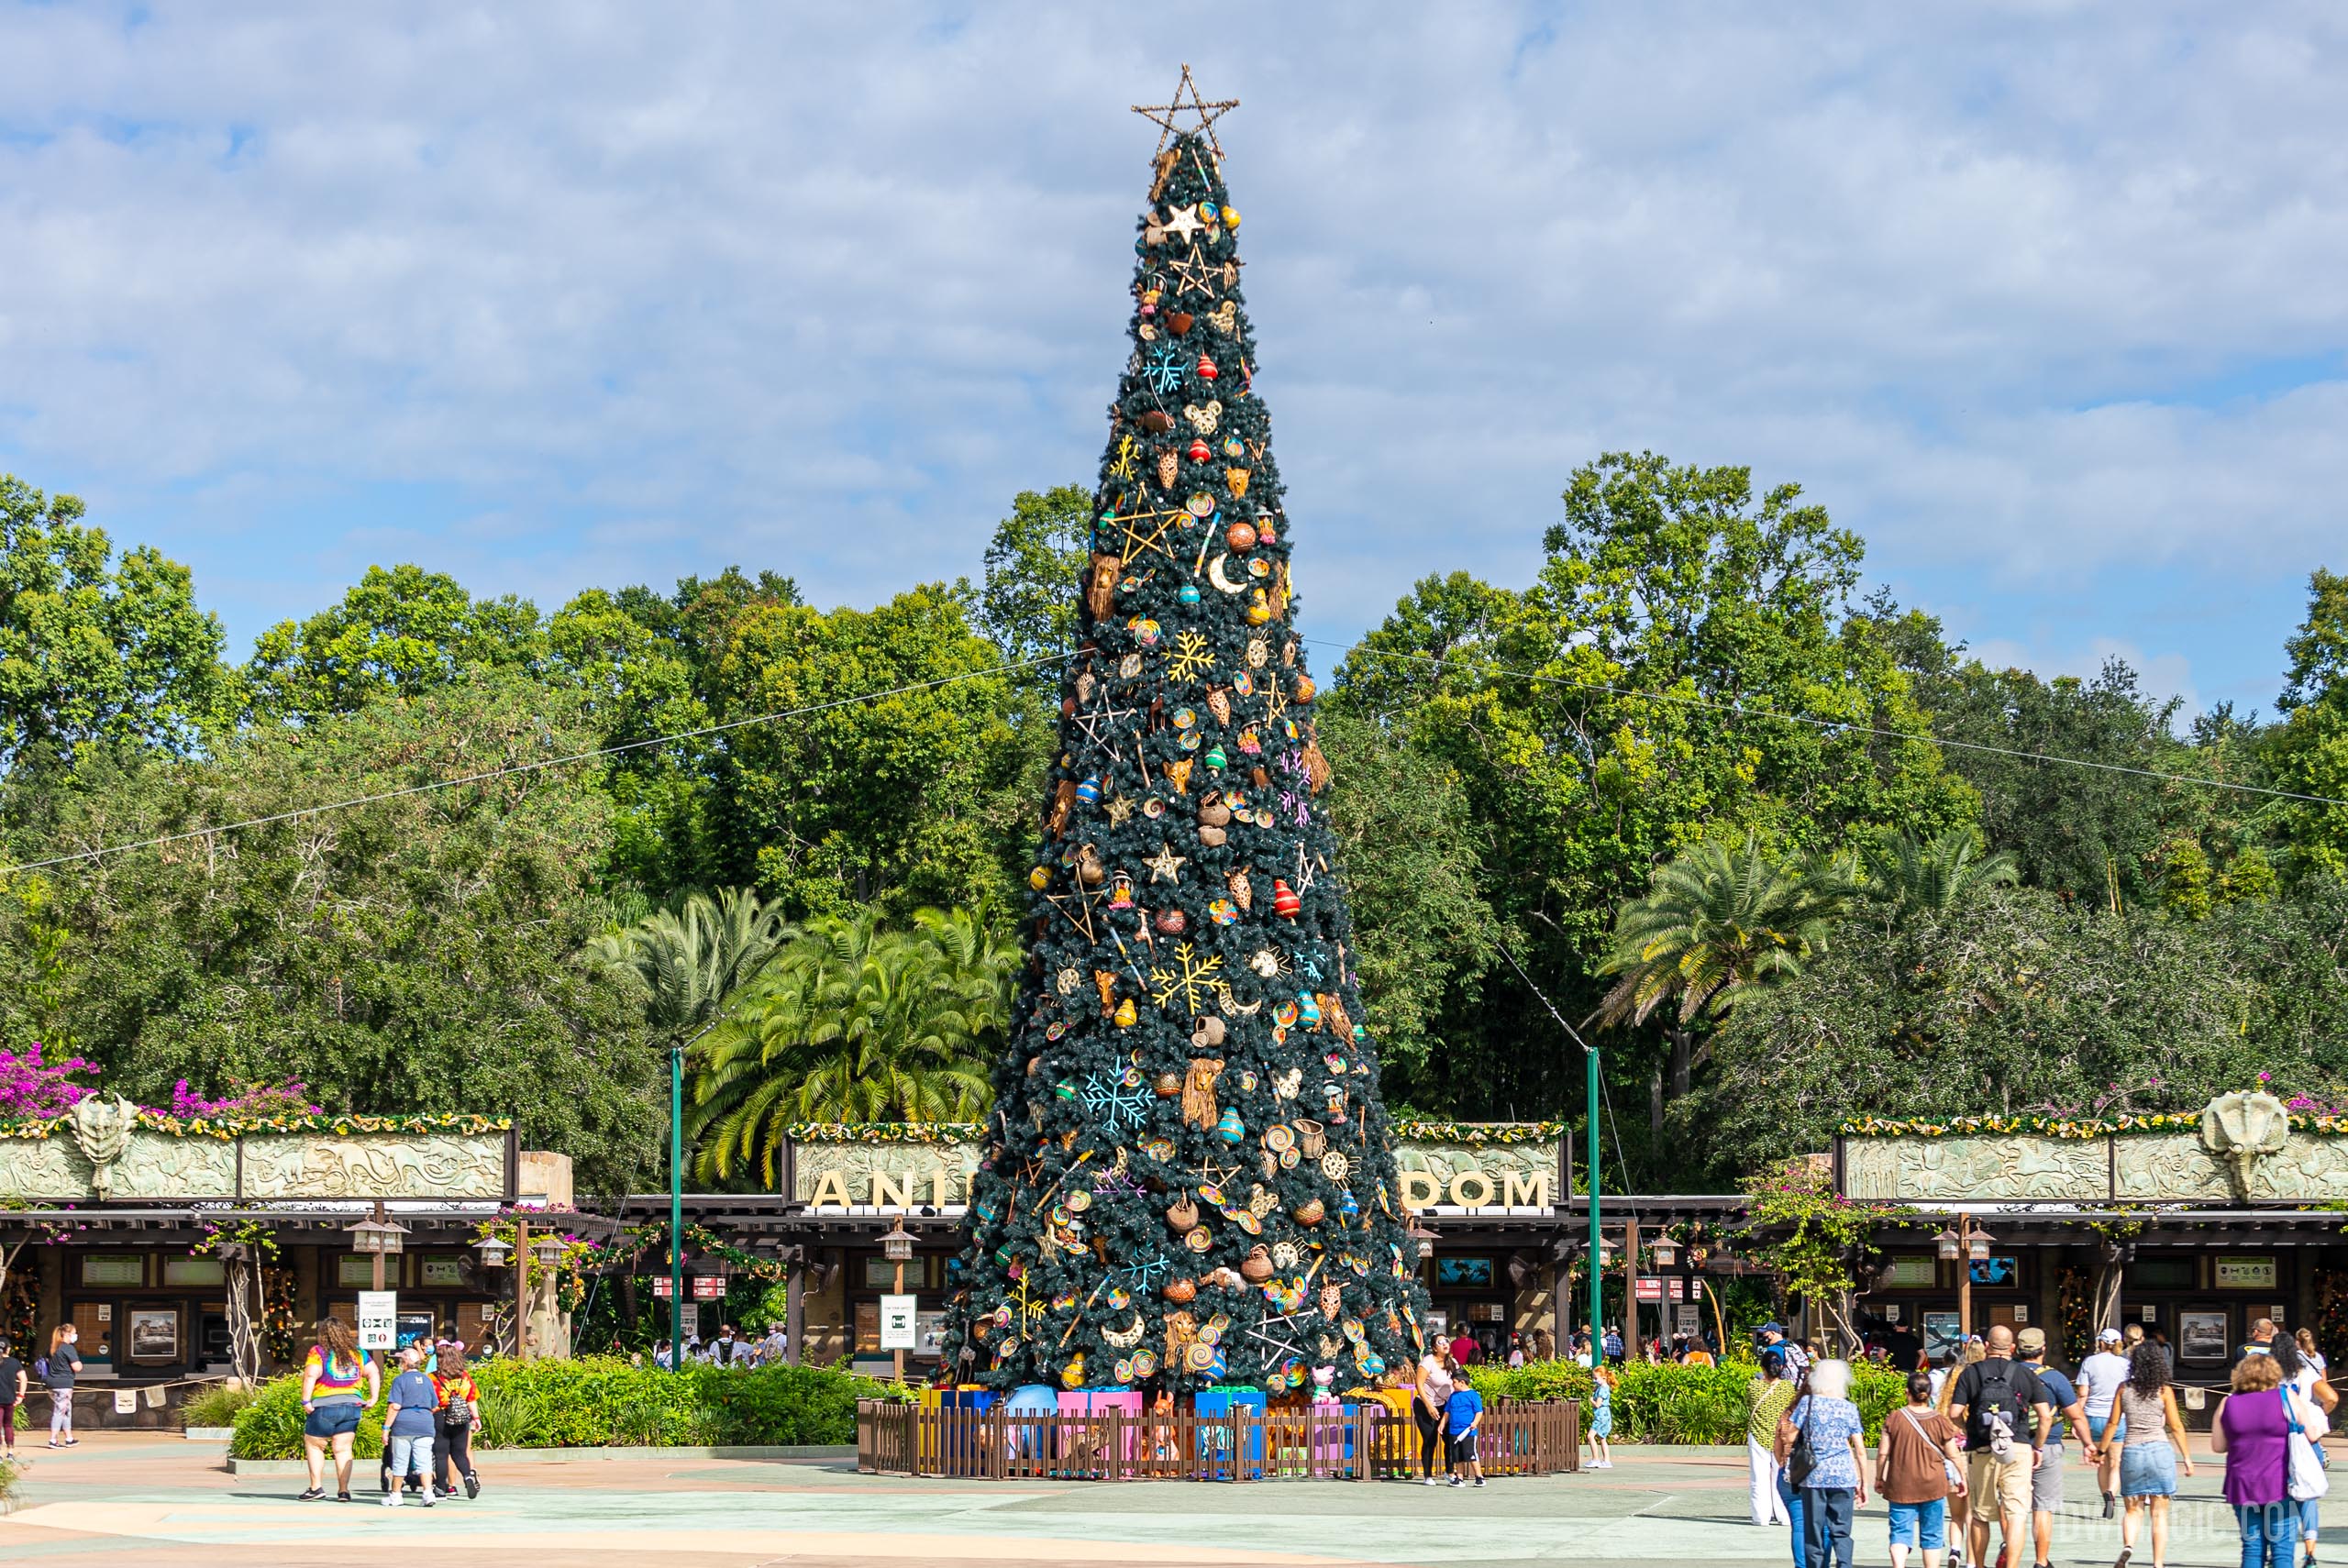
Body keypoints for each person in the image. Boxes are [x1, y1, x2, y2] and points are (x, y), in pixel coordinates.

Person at [1945, 1325, 2053, 1568]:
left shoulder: (1971, 1373)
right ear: (2012, 1348)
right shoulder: (2026, 1375)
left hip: (1982, 1447)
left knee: (1981, 1514)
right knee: (2016, 1514)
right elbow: (2045, 1416)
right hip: (2018, 1448)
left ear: (1986, 1346)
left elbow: (1954, 1412)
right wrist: (2037, 1446)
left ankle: (1980, 1564)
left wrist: (1967, 1429)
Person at [2101, 1339, 2194, 1568]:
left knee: (2133, 1509)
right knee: (2159, 1513)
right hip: (2159, 1450)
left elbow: (2113, 1423)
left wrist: (2101, 1450)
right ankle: (2158, 1563)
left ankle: (2128, 1545)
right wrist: (2187, 1458)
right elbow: (2176, 1426)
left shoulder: (2124, 1388)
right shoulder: (2164, 1390)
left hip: (2132, 1449)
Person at [2017, 1326, 2096, 1568]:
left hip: (2010, 1447)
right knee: (2042, 1507)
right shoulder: (2053, 1377)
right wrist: (2088, 1444)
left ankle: (2010, 1554)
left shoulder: (2007, 1373)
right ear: (2042, 1349)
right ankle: (2041, 1561)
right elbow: (2076, 1415)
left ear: (2017, 1350)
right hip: (2047, 1445)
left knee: (2013, 1506)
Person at [1780, 1358, 1868, 1568]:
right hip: (1844, 1476)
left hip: (1814, 1477)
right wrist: (1863, 1482)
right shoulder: (1849, 1408)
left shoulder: (1808, 1403)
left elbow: (1789, 1437)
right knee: (1841, 1530)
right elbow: (1860, 1450)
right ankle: (1844, 1564)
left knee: (1814, 1529)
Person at [1877, 1368, 1967, 1568]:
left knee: (1900, 1531)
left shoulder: (1895, 1418)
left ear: (1907, 1392)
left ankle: (1899, 1566)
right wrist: (1961, 1478)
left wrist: (1879, 1477)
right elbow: (1953, 1454)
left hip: (1900, 1484)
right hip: (1933, 1484)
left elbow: (1883, 1453)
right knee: (1932, 1533)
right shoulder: (1939, 1420)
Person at [2213, 1352, 2295, 1568]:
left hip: (2242, 1484)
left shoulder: (2228, 1402)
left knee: (2252, 1546)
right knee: (2283, 1549)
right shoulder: (2285, 1397)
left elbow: (2218, 1446)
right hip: (2280, 1481)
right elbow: (2312, 1433)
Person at [297, 1316, 379, 1502]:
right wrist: (373, 1398)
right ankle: (343, 1490)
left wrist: (306, 1401)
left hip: (324, 1405)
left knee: (315, 1445)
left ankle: (316, 1487)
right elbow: (373, 1372)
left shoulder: (318, 1352)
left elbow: (311, 1374)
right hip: (352, 1406)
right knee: (343, 1449)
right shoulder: (358, 1353)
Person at [2271, 1337, 2334, 1567]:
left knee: (2278, 1498)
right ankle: (2310, 1553)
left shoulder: (2269, 1374)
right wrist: (2317, 1413)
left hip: (2278, 1440)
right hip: (2306, 1438)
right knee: (2308, 1499)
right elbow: (2332, 1397)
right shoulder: (2306, 1372)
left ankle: (2278, 1552)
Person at [2078, 1327, 2133, 1519]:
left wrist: (2078, 1420)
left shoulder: (2089, 1362)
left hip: (2093, 1416)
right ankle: (2112, 1492)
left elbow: (2083, 1393)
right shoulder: (2125, 1364)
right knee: (2115, 1463)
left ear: (2101, 1342)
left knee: (2100, 1462)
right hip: (2118, 1417)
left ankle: (2105, 1498)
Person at [379, 1347, 437, 1508]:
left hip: (404, 1424)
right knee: (424, 1460)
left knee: (400, 1460)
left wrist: (386, 1428)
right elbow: (434, 1405)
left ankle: (396, 1495)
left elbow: (395, 1406)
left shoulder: (400, 1380)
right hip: (425, 1423)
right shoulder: (427, 1380)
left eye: (400, 1361)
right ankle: (428, 1493)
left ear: (405, 1363)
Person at [1747, 1349, 1800, 1527]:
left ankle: (1761, 1517)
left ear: (1763, 1369)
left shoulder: (1753, 1387)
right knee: (1781, 1475)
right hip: (1782, 1436)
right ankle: (1784, 1515)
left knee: (1758, 1477)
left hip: (1758, 1435)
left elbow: (1749, 1402)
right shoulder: (1787, 1388)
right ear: (1782, 1368)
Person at [432, 1342, 483, 1500]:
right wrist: (476, 1418)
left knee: (441, 1454)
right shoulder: (464, 1377)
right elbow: (471, 1398)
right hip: (462, 1417)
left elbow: (430, 1401)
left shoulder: (433, 1378)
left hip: (441, 1416)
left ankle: (440, 1488)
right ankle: (468, 1476)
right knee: (459, 1453)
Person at [1412, 1343, 1454, 1485]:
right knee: (1430, 1439)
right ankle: (1428, 1475)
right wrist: (1429, 1405)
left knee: (1449, 1438)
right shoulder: (1427, 1362)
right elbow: (1419, 1384)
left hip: (1446, 1405)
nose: (1445, 1345)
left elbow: (1461, 1380)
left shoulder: (1452, 1362)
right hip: (1425, 1405)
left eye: (1447, 1342)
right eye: (1441, 1343)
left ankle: (1450, 1472)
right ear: (1435, 1348)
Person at [39, 1324, 81, 1449]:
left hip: (51, 1383)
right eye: (74, 1333)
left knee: (66, 1410)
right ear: (67, 1334)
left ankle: (69, 1438)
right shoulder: (68, 1348)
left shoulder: (53, 1348)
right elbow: (77, 1367)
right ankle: (53, 1439)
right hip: (63, 1384)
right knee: (59, 1411)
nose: (75, 1336)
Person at [1445, 1374, 1485, 1488]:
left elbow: (1479, 1411)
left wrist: (1475, 1423)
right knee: (1457, 1456)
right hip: (1454, 1430)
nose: (1453, 1385)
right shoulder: (1453, 1396)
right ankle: (1459, 1478)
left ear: (1462, 1382)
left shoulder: (1473, 1395)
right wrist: (1442, 1424)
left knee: (1470, 1453)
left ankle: (1479, 1477)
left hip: (1468, 1431)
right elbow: (1447, 1412)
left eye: (1454, 1382)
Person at [1588, 1364, 1616, 1468]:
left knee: (1590, 1436)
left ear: (1603, 1378)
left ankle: (1595, 1459)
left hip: (1601, 1416)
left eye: (1596, 1378)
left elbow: (1598, 1404)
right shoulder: (1604, 1387)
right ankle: (1606, 1460)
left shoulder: (1602, 1390)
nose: (1594, 1380)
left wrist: (1591, 1400)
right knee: (1602, 1437)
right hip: (1605, 1415)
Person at [0, 1336, 23, 1461]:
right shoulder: (14, 1363)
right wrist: (21, 1395)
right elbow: (23, 1379)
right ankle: (10, 1453)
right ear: (8, 1349)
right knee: (8, 1425)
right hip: (10, 1399)